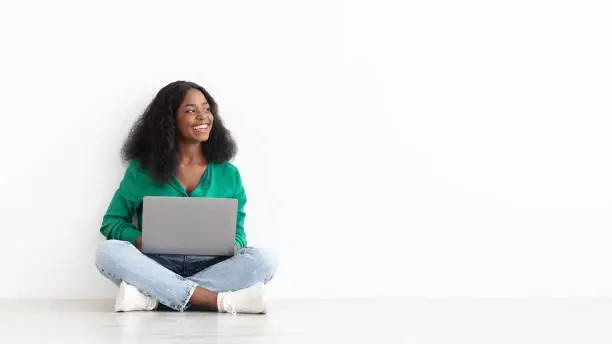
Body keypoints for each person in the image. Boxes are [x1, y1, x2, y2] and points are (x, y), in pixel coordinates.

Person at [94, 81, 276, 314]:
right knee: (107, 252)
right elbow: (112, 223)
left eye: (207, 108)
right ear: (170, 120)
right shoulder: (142, 170)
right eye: (191, 110)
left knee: (264, 261)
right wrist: (143, 240)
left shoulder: (228, 174)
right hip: (157, 265)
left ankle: (155, 298)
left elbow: (239, 232)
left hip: (212, 265)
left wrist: (233, 244)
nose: (203, 117)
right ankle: (214, 300)